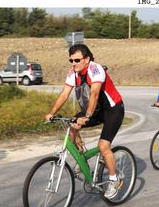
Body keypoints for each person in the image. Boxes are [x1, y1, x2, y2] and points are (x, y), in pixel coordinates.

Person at [45, 43, 124, 198]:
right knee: (72, 127)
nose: (73, 64)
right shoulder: (73, 73)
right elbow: (64, 94)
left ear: (87, 59)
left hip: (112, 110)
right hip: (94, 110)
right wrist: (51, 113)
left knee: (103, 146)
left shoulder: (96, 69)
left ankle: (115, 180)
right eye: (71, 61)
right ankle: (82, 158)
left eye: (77, 60)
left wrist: (86, 117)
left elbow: (94, 94)